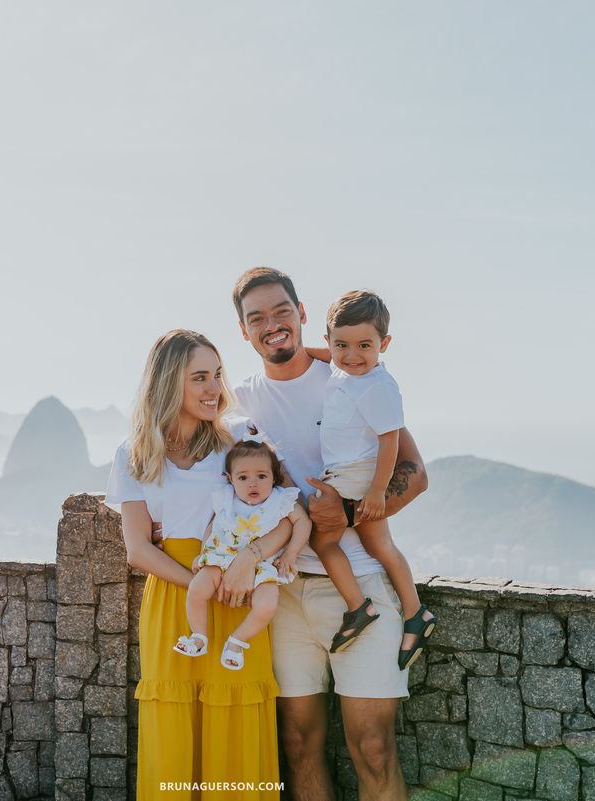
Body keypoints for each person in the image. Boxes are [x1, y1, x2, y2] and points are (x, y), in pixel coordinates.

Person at [229, 268, 430, 801]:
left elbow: (416, 472)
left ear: (300, 313)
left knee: (373, 748)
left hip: (361, 582)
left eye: (281, 311)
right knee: (296, 743)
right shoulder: (239, 401)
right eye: (257, 318)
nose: (271, 325)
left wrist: (355, 517)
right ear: (243, 332)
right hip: (285, 595)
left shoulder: (347, 373)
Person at [105, 329, 285, 800]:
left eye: (218, 374)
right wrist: (202, 584)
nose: (214, 388)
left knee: (236, 713)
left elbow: (285, 518)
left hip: (242, 592)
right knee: (173, 721)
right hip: (176, 599)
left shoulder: (239, 441)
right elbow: (139, 550)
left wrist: (247, 562)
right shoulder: (134, 454)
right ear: (169, 384)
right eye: (200, 377)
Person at [311, 290, 435, 670]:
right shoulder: (350, 369)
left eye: (365, 345)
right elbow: (332, 355)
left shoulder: (376, 385)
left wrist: (378, 492)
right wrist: (310, 353)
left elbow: (390, 441)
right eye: (340, 345)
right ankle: (416, 613)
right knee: (381, 545)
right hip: (357, 470)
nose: (351, 355)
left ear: (385, 344)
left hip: (357, 473)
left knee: (321, 539)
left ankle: (358, 607)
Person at [175, 431, 312, 670]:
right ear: (230, 478)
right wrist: (203, 551)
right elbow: (214, 524)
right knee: (197, 589)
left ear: (273, 477)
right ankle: (199, 637)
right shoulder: (226, 498)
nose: (253, 483)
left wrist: (291, 552)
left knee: (268, 604)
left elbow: (303, 522)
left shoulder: (281, 500)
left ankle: (237, 641)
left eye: (261, 476)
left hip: (263, 563)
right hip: (221, 555)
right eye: (243, 477)